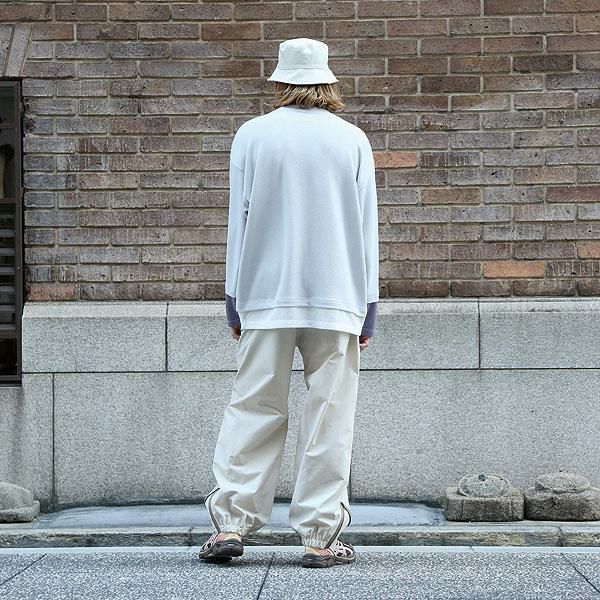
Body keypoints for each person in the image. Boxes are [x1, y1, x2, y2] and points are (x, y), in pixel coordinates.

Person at [198, 37, 379, 569]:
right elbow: (366, 228)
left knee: (253, 407)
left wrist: (233, 300)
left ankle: (231, 525)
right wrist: (369, 306)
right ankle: (320, 536)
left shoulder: (253, 135)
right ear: (328, 82)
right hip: (338, 296)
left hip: (265, 294)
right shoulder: (352, 140)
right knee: (330, 417)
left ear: (280, 81)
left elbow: (239, 221)